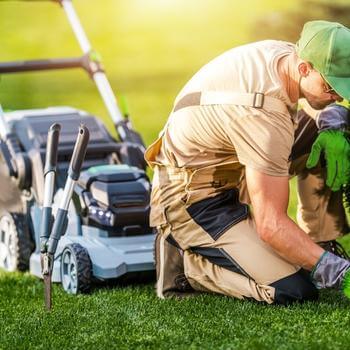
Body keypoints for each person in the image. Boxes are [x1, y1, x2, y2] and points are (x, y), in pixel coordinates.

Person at [145, 20, 350, 304]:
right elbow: (271, 225)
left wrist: (333, 125)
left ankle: (321, 240)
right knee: (294, 289)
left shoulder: (287, 56)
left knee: (334, 129)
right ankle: (188, 267)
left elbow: (314, 100)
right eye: (332, 87)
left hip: (233, 165)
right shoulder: (264, 118)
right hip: (194, 200)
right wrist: (341, 274)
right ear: (304, 68)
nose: (338, 95)